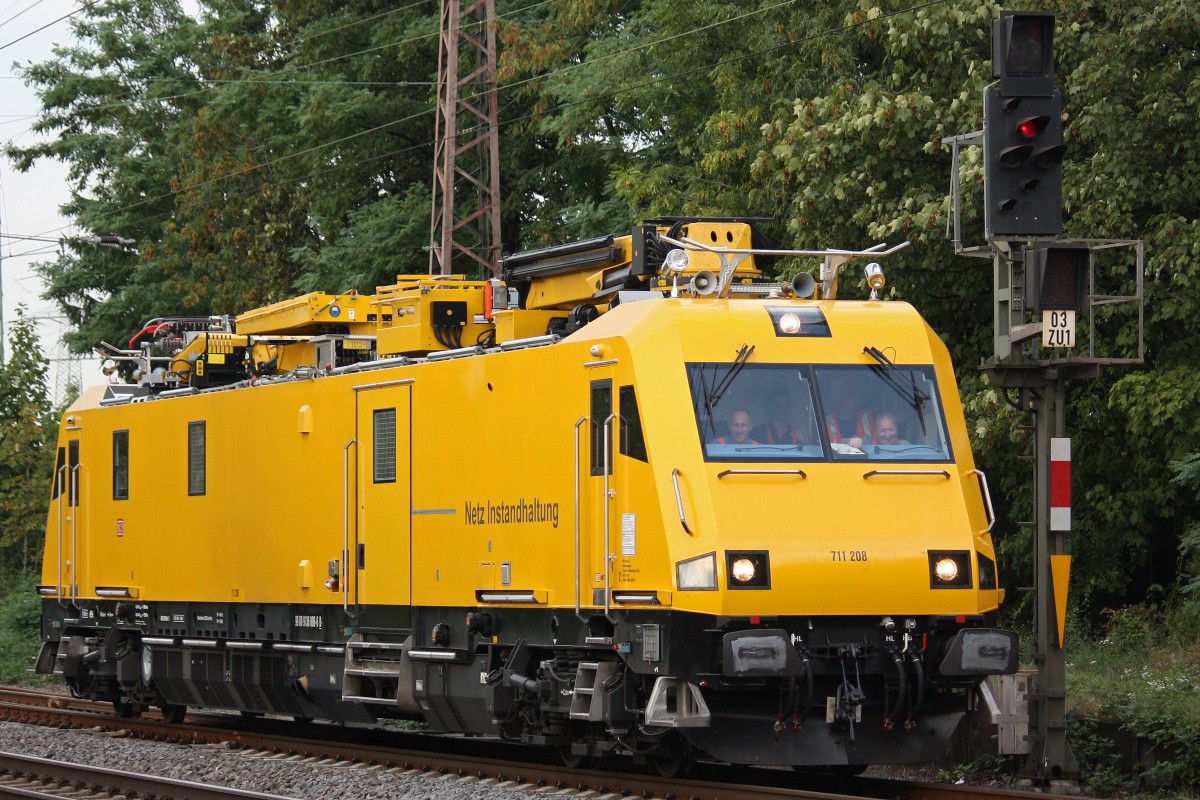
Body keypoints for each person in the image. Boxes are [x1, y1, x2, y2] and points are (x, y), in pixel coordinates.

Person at [823, 375, 876, 449]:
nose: (847, 402)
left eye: (850, 397)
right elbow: (826, 445)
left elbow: (873, 441)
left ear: (856, 399)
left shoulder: (865, 417)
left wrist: (860, 441)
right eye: (843, 398)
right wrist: (849, 441)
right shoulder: (828, 421)